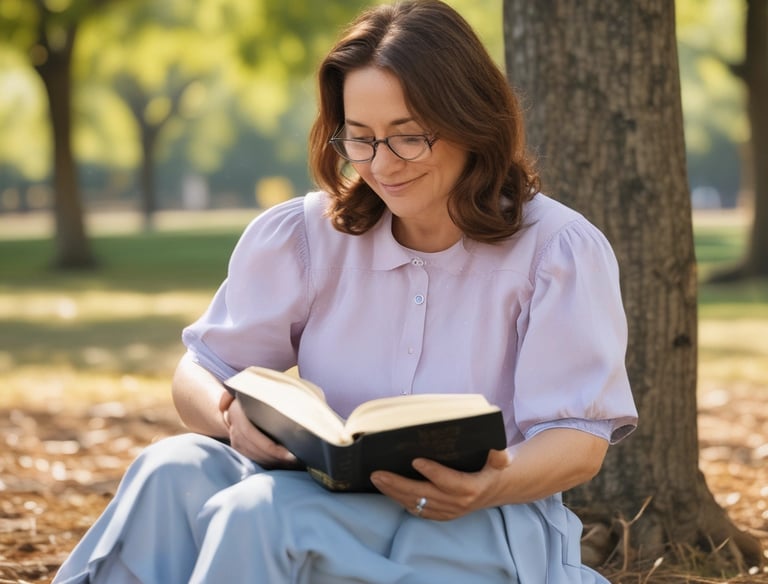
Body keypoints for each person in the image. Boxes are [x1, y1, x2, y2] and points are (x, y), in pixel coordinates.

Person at [53, 1, 638, 582]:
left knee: (259, 513)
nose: (382, 165)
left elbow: (578, 440)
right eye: (361, 139)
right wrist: (229, 415)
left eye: (408, 137)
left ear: (471, 122)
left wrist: (493, 482)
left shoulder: (557, 249)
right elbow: (199, 371)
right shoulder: (308, 236)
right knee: (170, 467)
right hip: (325, 495)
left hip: (483, 519)